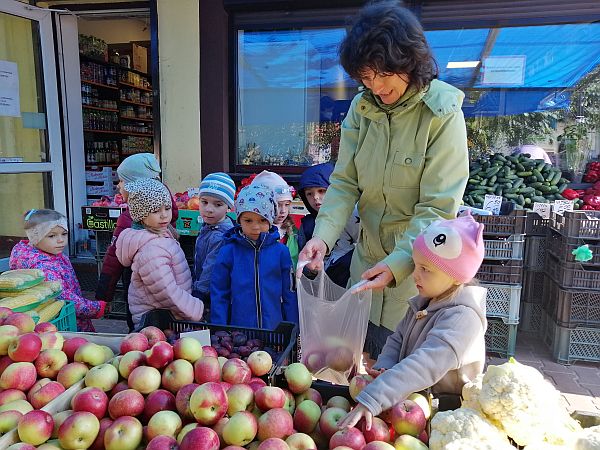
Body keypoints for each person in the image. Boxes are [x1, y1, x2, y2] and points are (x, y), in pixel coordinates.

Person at [298, 1, 469, 357]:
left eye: (382, 74)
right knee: (363, 364)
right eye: (365, 77)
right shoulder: (361, 110)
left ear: (408, 61)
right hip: (366, 266)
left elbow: (437, 206)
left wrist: (396, 266)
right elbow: (344, 181)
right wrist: (323, 238)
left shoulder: (442, 113)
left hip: (418, 273)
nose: (375, 86)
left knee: (403, 370)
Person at [338, 214, 487, 429]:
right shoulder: (424, 302)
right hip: (414, 404)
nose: (415, 275)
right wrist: (383, 369)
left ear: (457, 277)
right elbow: (396, 340)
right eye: (416, 266)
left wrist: (373, 398)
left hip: (447, 413)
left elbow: (423, 365)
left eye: (426, 269)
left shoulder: (463, 318)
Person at [95, 153, 179, 331]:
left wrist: (104, 296)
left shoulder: (129, 219)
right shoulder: (166, 214)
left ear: (135, 186)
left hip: (138, 293)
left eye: (122, 181)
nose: (119, 186)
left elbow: (113, 260)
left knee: (140, 331)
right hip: (166, 293)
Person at [115, 179, 203, 328]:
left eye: (167, 208)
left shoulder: (163, 236)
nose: (164, 215)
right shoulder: (152, 250)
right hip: (161, 322)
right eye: (155, 211)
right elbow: (166, 292)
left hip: (170, 316)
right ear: (140, 215)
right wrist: (196, 309)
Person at [210, 184, 298, 329]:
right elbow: (219, 294)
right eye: (248, 220)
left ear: (270, 220)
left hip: (274, 330)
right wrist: (220, 330)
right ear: (239, 220)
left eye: (262, 220)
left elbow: (289, 293)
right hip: (239, 332)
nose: (255, 226)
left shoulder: (281, 252)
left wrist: (293, 329)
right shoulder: (228, 252)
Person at [9, 209, 106, 332]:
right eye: (52, 235)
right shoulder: (43, 266)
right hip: (62, 322)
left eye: (64, 234)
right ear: (34, 237)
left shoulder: (51, 253)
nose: (61, 240)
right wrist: (95, 308)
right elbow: (62, 296)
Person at [297, 162, 360, 288]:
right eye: (309, 193)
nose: (316, 197)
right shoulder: (307, 225)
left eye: (322, 191)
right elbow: (303, 265)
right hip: (320, 287)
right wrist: (311, 270)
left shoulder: (352, 217)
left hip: (350, 284)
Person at [192, 172, 236, 312]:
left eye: (217, 204)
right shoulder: (209, 227)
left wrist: (199, 293)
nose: (209, 209)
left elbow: (211, 268)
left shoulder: (220, 236)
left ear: (228, 207)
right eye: (204, 202)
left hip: (211, 296)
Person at [250, 171, 299, 269]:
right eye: (277, 205)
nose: (283, 211)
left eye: (287, 204)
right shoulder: (253, 233)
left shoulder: (291, 230)